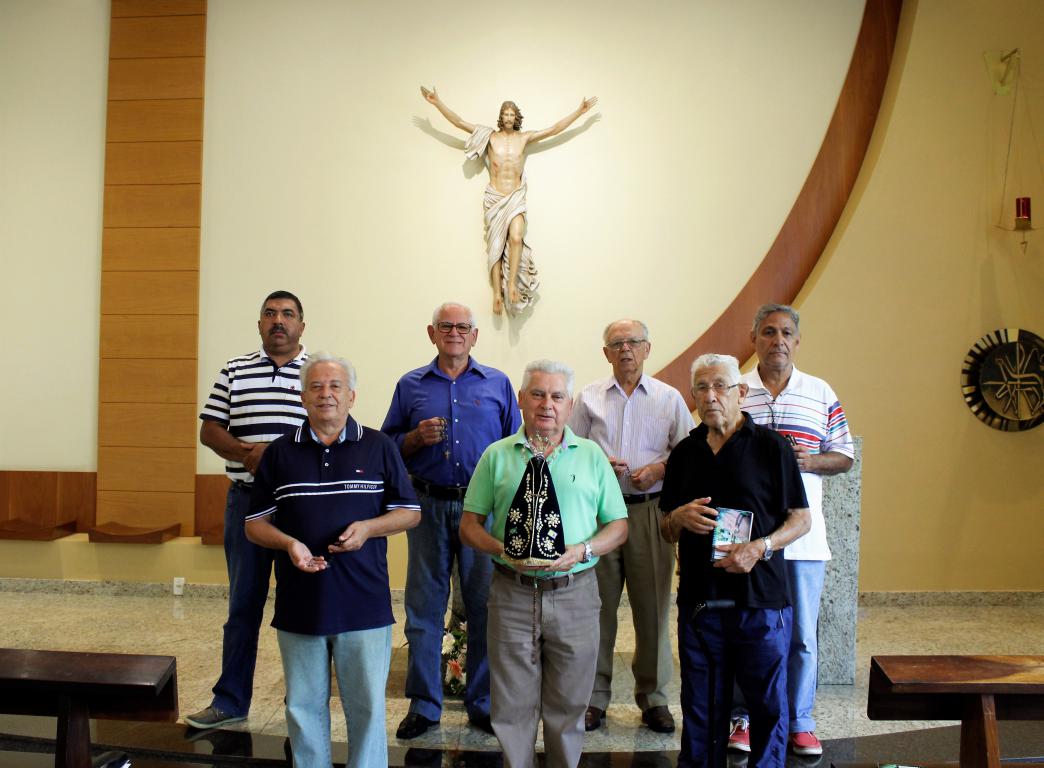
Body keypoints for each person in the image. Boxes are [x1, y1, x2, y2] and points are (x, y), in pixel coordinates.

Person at [245, 353, 420, 767]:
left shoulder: (379, 446)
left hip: (364, 604)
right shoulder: (280, 453)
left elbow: (410, 513)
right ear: (302, 396)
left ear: (352, 396)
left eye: (335, 386)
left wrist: (368, 528)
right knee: (303, 708)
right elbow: (254, 524)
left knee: (367, 709)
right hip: (300, 602)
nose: (326, 395)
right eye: (316, 387)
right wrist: (289, 544)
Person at [460, 359, 629, 768]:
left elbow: (618, 526)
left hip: (574, 595)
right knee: (512, 706)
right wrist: (503, 550)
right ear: (521, 400)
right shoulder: (497, 456)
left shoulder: (591, 456)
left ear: (570, 405)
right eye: (537, 394)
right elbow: (469, 526)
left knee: (569, 705)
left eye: (556, 396)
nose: (547, 404)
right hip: (512, 594)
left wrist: (583, 550)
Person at [660, 353, 810, 768]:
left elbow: (801, 520)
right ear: (693, 396)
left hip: (760, 602)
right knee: (701, 709)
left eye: (720, 386)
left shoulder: (772, 448)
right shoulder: (684, 453)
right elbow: (663, 528)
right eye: (702, 388)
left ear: (741, 392)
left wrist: (759, 547)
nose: (711, 396)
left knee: (767, 708)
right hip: (700, 603)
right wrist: (678, 518)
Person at [381, 302, 521, 739]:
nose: (455, 333)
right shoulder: (410, 385)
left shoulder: (497, 383)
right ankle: (424, 706)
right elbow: (386, 447)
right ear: (432, 332)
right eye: (447, 326)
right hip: (427, 505)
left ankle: (482, 703)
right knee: (424, 608)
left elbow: (516, 447)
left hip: (483, 511)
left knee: (483, 607)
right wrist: (413, 438)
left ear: (475, 336)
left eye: (464, 327)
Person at [727, 304, 855, 756]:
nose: (777, 340)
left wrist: (802, 461)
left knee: (801, 635)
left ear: (797, 341)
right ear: (754, 339)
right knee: (748, 628)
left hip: (803, 539)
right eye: (768, 332)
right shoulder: (737, 392)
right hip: (750, 539)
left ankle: (800, 720)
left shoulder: (819, 392)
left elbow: (843, 455)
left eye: (785, 333)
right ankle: (741, 718)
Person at [185, 291, 308, 730]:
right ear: (259, 324)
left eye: (287, 314)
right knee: (243, 606)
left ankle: (304, 704)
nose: (279, 321)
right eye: (270, 314)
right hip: (245, 502)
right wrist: (246, 453)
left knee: (302, 610)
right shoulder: (235, 371)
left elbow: (327, 429)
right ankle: (230, 700)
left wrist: (276, 456)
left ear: (301, 326)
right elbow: (209, 429)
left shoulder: (317, 373)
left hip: (298, 510)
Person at [569, 320, 694, 734]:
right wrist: (600, 465)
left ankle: (655, 699)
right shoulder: (588, 398)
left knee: (653, 609)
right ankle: (593, 699)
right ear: (606, 353)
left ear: (647, 349)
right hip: (600, 515)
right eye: (617, 344)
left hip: (650, 511)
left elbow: (688, 454)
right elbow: (569, 452)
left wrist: (660, 467)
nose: (626, 349)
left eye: (634, 342)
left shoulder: (669, 397)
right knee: (596, 611)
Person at [420, 86, 598, 315]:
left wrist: (579, 112)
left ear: (517, 118)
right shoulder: (489, 137)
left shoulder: (524, 139)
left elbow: (554, 129)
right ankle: (497, 293)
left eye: (512, 114)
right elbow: (459, 122)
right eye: (505, 114)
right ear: (500, 117)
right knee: (495, 245)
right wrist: (437, 103)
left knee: (516, 238)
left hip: (515, 197)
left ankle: (511, 284)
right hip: (495, 197)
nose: (508, 118)